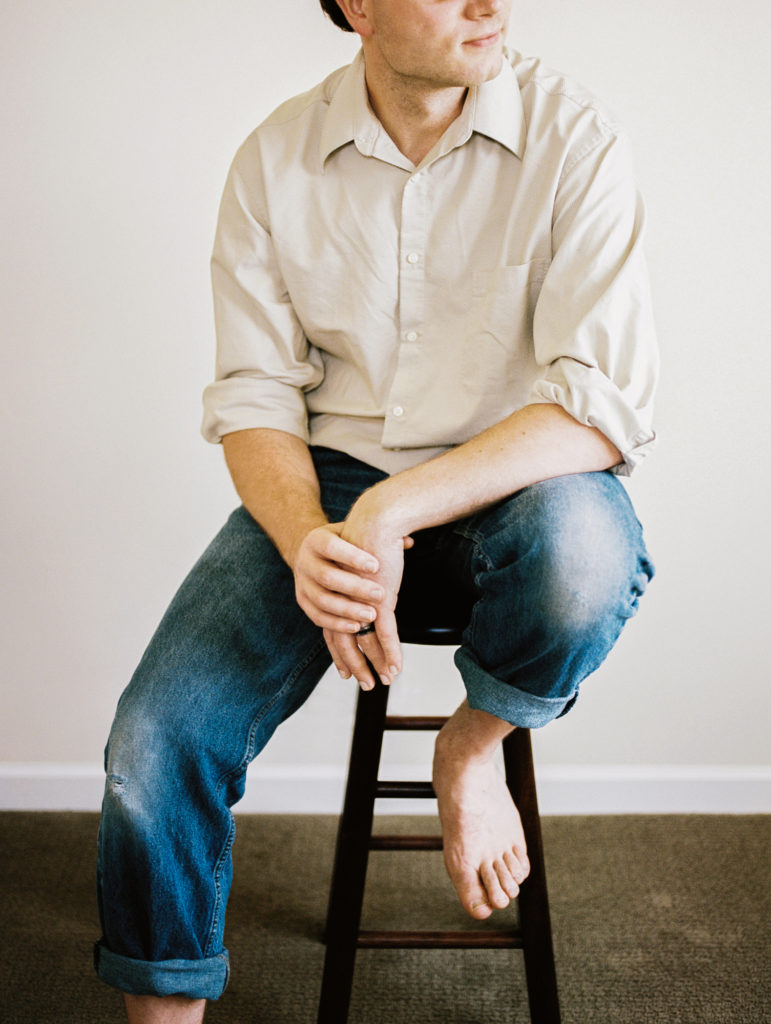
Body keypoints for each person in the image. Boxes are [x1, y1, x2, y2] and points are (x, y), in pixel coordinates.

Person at [94, 0, 657, 1020]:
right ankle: (165, 1010)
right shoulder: (274, 160)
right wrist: (311, 536)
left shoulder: (576, 136)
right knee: (154, 741)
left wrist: (395, 510)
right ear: (356, 5)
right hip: (331, 484)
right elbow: (255, 398)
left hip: (517, 484)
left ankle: (471, 743)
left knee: (588, 551)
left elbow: (602, 409)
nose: (491, 4)